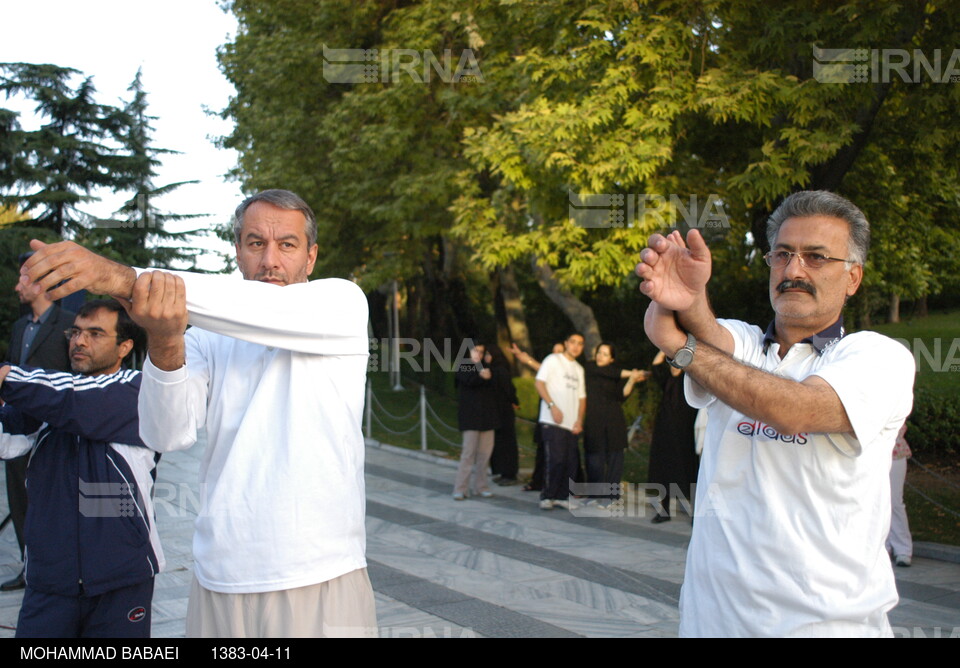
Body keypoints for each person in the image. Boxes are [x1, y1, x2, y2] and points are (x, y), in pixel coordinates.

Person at [20, 189, 376, 638]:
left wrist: (122, 278)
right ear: (237, 254)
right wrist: (166, 340)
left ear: (311, 257)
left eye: (287, 245)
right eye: (255, 243)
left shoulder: (341, 303)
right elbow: (166, 433)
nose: (270, 260)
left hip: (319, 570)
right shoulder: (209, 337)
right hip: (219, 574)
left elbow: (267, 309)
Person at [636, 190, 914, 637]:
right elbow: (710, 333)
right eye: (782, 255)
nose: (794, 270)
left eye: (816, 257)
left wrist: (681, 348)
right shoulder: (746, 344)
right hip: (711, 622)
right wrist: (688, 300)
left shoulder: (878, 357)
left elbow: (796, 410)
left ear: (853, 278)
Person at [0, 300, 160, 638]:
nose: (79, 342)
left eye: (95, 333)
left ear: (124, 346)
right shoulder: (49, 395)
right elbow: (7, 439)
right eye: (75, 332)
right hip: (49, 581)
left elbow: (77, 402)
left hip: (121, 579)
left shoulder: (140, 390)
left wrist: (6, 376)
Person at [2, 261, 75, 592]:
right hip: (18, 427)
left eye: (24, 280)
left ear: (43, 285)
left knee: (55, 501)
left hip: (53, 430)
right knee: (19, 500)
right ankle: (28, 568)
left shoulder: (69, 325)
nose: (18, 287)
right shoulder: (20, 327)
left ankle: (58, 569)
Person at [582, 342, 646, 505]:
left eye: (605, 354)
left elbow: (621, 396)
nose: (600, 356)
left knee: (614, 460)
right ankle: (594, 495)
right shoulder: (589, 368)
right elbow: (607, 372)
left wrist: (631, 380)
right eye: (599, 352)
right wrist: (630, 373)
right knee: (594, 459)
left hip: (613, 421)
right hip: (593, 420)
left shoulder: (615, 376)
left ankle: (611, 497)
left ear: (611, 359)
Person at [534, 333, 586, 510]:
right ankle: (547, 495)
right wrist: (552, 406)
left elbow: (582, 398)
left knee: (570, 462)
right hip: (552, 420)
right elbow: (539, 383)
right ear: (566, 343)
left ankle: (563, 496)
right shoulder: (553, 360)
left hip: (571, 424)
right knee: (554, 460)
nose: (576, 346)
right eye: (573, 342)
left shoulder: (579, 369)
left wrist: (579, 420)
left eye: (580, 344)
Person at [646, 350, 699, 523]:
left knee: (687, 469)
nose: (675, 366)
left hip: (684, 433)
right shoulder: (667, 381)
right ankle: (664, 510)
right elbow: (655, 366)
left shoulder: (690, 381)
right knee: (664, 469)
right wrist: (665, 348)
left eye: (678, 363)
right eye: (672, 362)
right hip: (665, 432)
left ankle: (694, 512)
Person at [453, 342, 499, 500]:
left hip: (487, 418)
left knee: (484, 455)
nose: (478, 354)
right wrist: (481, 375)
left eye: (481, 351)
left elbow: (495, 384)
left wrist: (488, 369)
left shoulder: (488, 367)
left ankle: (481, 486)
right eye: (475, 351)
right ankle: (460, 488)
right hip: (470, 418)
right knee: (468, 454)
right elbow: (467, 380)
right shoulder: (464, 365)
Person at [487, 344, 520, 486]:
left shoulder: (500, 371)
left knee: (507, 442)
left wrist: (514, 401)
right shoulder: (492, 370)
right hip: (496, 411)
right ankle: (502, 472)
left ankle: (510, 473)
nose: (486, 357)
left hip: (504, 412)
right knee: (499, 443)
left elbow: (509, 390)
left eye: (488, 354)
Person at [887, 423, 913, 567]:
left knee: (895, 501)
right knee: (876, 502)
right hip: (872, 455)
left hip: (895, 454)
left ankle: (903, 548)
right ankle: (884, 546)